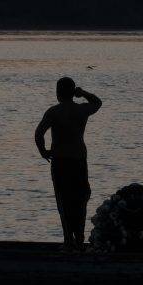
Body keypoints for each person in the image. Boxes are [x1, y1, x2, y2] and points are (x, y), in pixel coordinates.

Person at [34, 77, 102, 248]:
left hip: (60, 161)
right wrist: (82, 92)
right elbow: (97, 102)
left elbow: (39, 133)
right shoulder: (81, 110)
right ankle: (79, 239)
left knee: (63, 200)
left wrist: (43, 152)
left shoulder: (53, 112)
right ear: (72, 93)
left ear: (58, 93)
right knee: (80, 199)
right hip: (78, 160)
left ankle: (68, 240)